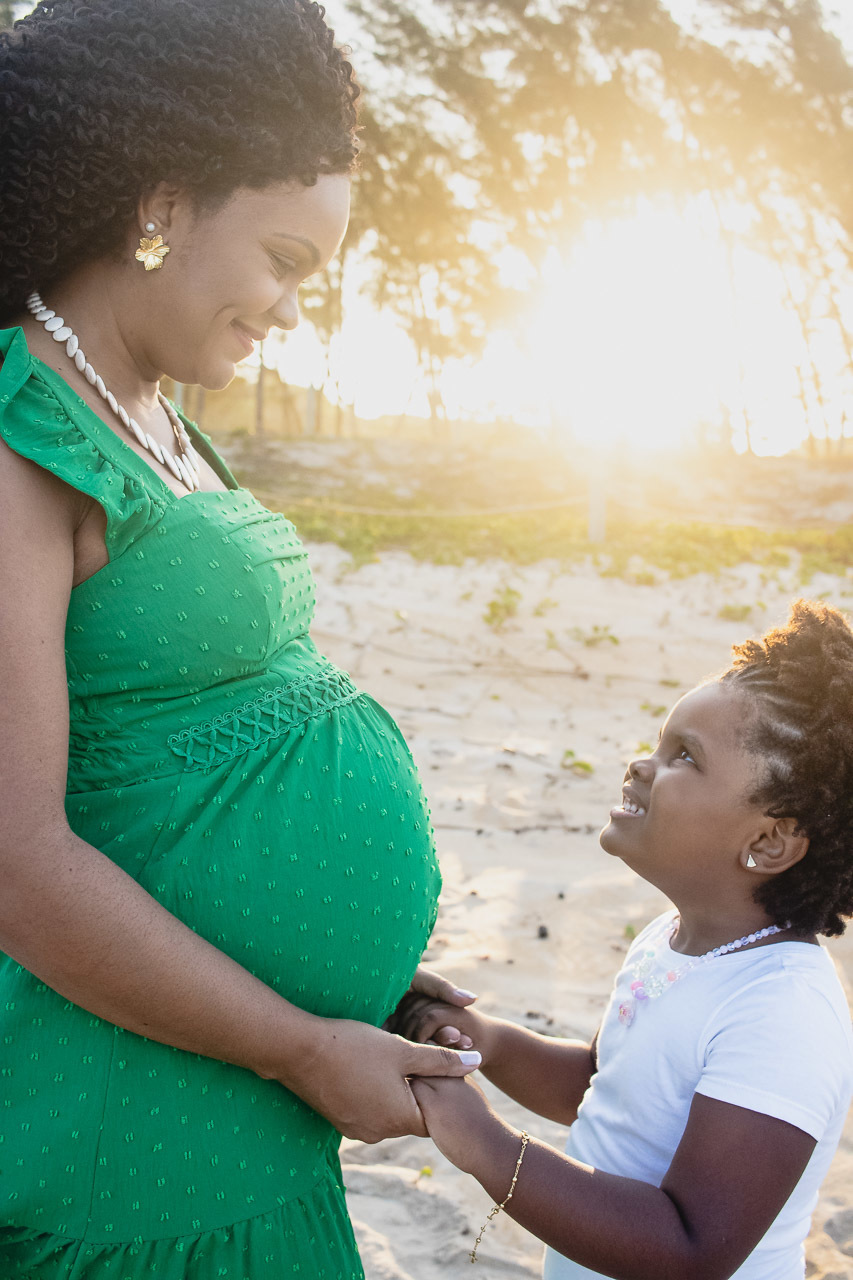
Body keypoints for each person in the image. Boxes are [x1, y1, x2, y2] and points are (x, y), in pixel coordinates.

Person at [0, 2, 481, 1276]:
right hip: (135, 1136)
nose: (285, 308)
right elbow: (12, 855)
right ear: (160, 204)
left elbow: (176, 759)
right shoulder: (17, 423)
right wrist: (299, 1040)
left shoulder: (148, 410)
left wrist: (353, 982)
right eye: (280, 258)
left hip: (239, 1098)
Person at [394, 600, 853, 1280]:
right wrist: (479, 1037)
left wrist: (484, 1143)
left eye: (683, 757)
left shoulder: (781, 1011)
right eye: (660, 742)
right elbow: (601, 1087)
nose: (640, 765)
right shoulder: (671, 941)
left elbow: (690, 1246)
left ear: (767, 840)